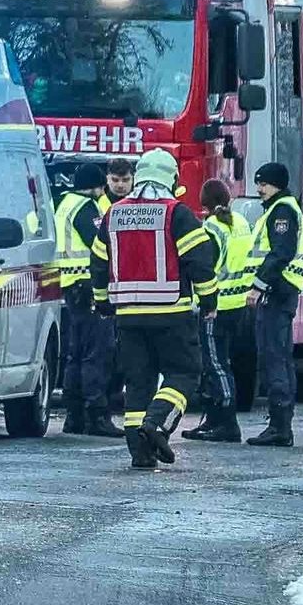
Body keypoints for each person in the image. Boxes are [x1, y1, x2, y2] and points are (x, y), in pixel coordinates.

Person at [100, 149, 221, 471]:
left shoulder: (114, 213)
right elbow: (199, 262)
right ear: (172, 178)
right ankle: (158, 424)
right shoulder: (177, 213)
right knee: (184, 374)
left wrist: (103, 303)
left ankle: (140, 453)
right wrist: (209, 301)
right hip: (172, 313)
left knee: (138, 382)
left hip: (127, 316)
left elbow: (99, 262)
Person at [51, 170, 117, 435]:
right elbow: (100, 244)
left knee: (75, 354)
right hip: (88, 285)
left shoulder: (64, 204)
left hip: (72, 287)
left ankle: (74, 416)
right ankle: (97, 415)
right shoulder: (85, 207)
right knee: (97, 352)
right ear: (95, 187)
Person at [246, 163, 303, 446]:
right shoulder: (281, 208)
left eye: (264, 184)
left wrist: (258, 286)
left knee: (274, 358)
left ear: (277, 185)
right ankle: (281, 424)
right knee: (280, 356)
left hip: (277, 291)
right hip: (282, 291)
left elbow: (281, 252)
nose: (259, 189)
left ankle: (280, 426)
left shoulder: (281, 211)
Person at [196, 170, 253, 440]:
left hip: (215, 307)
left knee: (215, 364)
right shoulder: (241, 222)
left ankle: (226, 422)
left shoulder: (211, 228)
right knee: (224, 360)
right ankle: (213, 420)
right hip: (238, 303)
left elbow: (206, 268)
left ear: (204, 203)